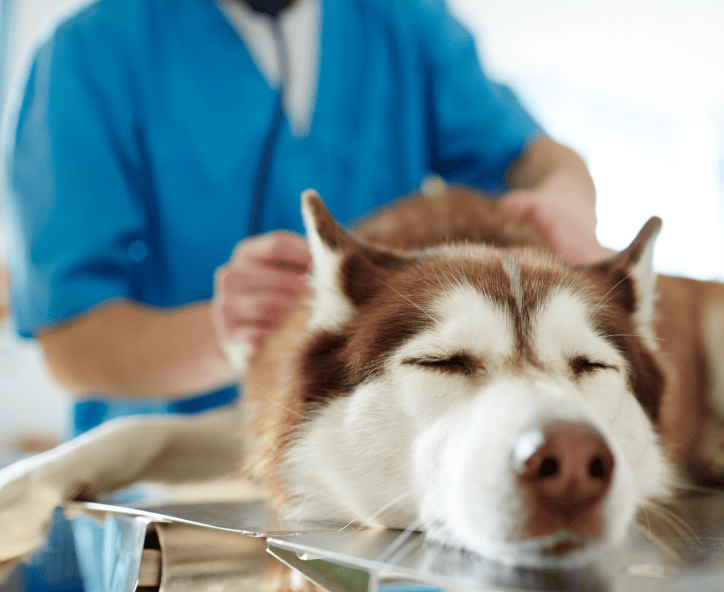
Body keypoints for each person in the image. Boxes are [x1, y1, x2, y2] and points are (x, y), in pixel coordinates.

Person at [2, 1, 604, 590]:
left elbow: (538, 158)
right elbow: (72, 343)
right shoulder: (91, 52)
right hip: (173, 497)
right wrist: (227, 336)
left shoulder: (404, 25)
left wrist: (567, 194)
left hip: (368, 502)